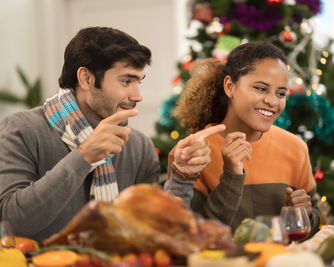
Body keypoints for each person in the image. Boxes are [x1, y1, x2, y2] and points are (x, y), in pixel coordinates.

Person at [0, 26, 224, 241]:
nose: (137, 96)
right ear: (86, 79)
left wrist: (182, 177)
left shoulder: (138, 146)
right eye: (126, 81)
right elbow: (12, 222)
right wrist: (84, 156)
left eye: (139, 82)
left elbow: (152, 232)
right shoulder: (22, 129)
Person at [164, 41, 321, 234]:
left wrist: (304, 214)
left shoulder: (295, 147)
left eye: (281, 93)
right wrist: (232, 175)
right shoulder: (193, 153)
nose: (272, 101)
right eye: (261, 89)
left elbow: (313, 223)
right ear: (230, 87)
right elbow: (195, 236)